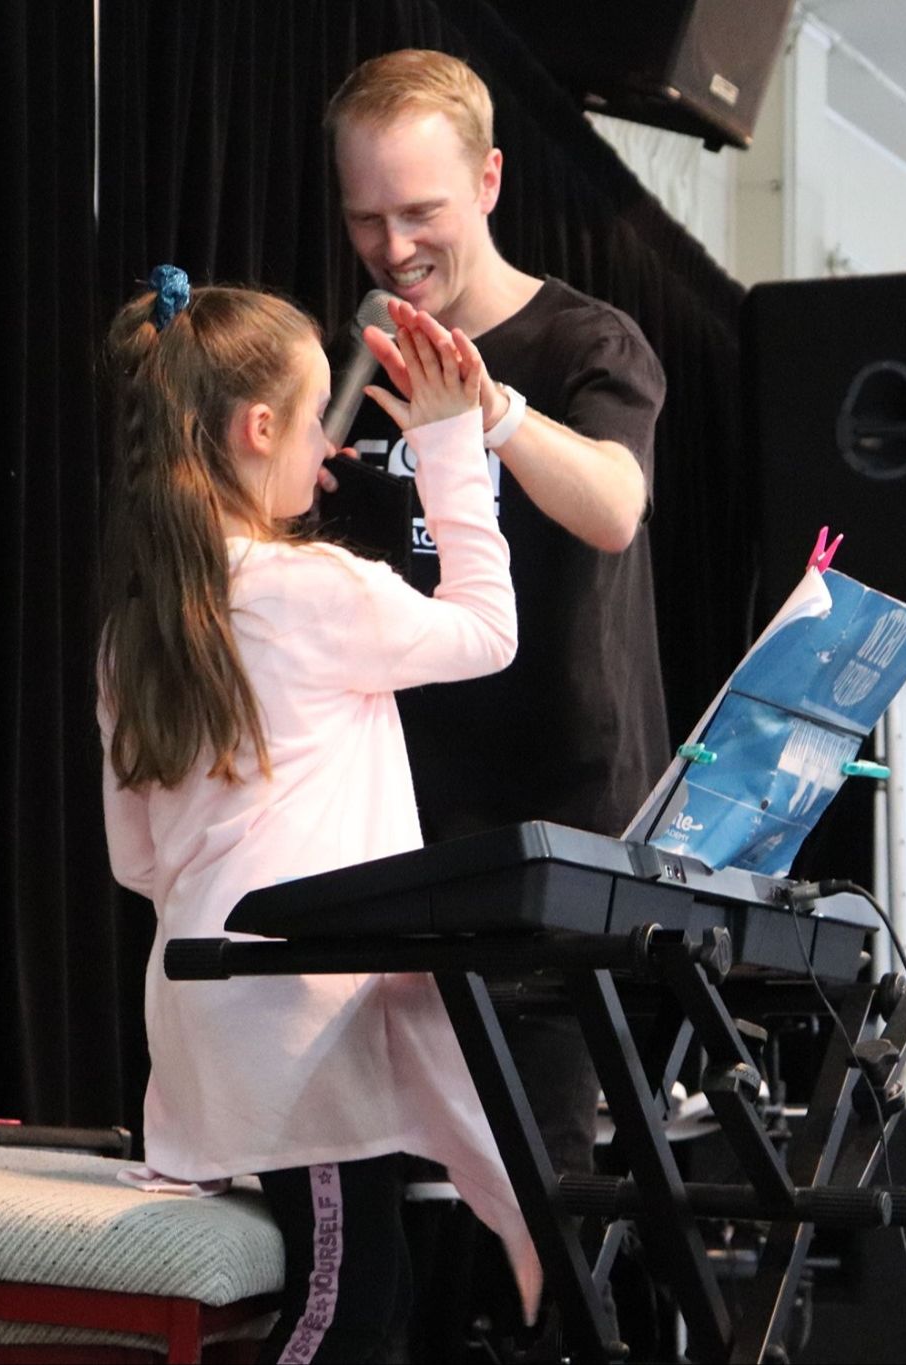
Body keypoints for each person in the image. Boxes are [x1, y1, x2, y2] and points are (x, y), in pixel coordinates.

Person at [97, 264, 540, 1362]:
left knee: (363, 1290)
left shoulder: (134, 629)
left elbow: (137, 861)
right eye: (308, 425)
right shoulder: (313, 589)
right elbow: (488, 630)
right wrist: (450, 443)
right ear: (257, 429)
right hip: (296, 1018)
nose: (322, 449)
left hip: (204, 1015)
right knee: (344, 1304)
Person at [327, 48, 670, 1181]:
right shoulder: (355, 356)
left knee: (532, 1190)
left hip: (552, 837)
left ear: (487, 182)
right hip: (391, 834)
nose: (393, 248)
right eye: (366, 218)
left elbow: (613, 507)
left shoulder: (587, 345)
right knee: (383, 1190)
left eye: (419, 211)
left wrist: (496, 415)